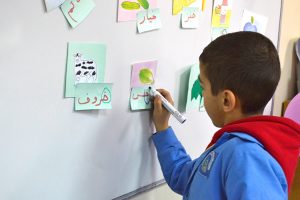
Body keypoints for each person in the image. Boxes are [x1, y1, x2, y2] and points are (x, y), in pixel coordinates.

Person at [151, 31, 300, 199]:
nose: (202, 94)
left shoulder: (247, 157)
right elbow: (185, 178)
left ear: (226, 101)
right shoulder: (231, 144)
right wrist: (163, 129)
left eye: (203, 88)